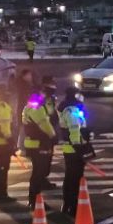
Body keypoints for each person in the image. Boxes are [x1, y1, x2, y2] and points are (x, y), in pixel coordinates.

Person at [22, 91, 57, 208]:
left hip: (31, 143)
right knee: (38, 173)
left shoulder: (27, 108)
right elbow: (45, 125)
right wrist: (53, 136)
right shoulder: (37, 109)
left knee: (37, 172)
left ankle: (34, 199)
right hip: (39, 144)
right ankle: (34, 200)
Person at [57, 87, 88, 216]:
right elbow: (75, 130)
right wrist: (79, 147)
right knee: (75, 177)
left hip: (67, 147)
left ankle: (67, 203)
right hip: (75, 147)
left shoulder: (63, 107)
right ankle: (73, 205)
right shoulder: (73, 110)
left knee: (69, 176)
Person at [40, 76, 59, 190]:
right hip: (43, 134)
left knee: (48, 158)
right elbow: (41, 119)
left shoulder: (51, 98)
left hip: (50, 131)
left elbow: (53, 113)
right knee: (43, 158)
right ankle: (41, 180)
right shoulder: (39, 99)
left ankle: (44, 178)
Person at [14, 69, 36, 155]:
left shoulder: (28, 85)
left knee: (24, 127)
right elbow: (24, 98)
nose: (30, 77)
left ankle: (22, 146)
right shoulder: (23, 86)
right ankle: (22, 147)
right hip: (24, 108)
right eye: (28, 75)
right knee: (23, 127)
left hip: (26, 108)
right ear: (24, 76)